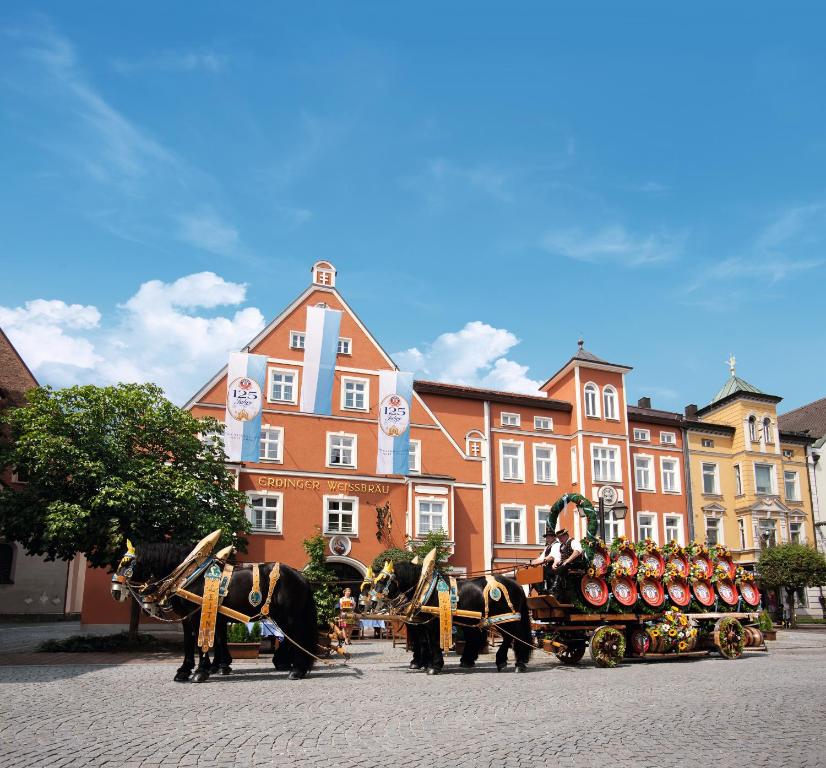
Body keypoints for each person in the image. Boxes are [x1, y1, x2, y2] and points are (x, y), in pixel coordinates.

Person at [547, 529, 583, 598]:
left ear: (566, 535)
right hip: (566, 564)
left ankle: (555, 587)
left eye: (561, 537)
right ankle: (552, 588)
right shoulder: (561, 546)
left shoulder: (573, 542)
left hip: (575, 564)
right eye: (559, 538)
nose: (560, 539)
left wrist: (568, 560)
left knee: (562, 567)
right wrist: (555, 563)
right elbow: (559, 557)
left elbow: (578, 551)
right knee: (550, 570)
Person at [530, 530, 558, 594]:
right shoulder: (547, 547)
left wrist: (537, 563)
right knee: (532, 573)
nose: (547, 539)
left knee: (539, 572)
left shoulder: (556, 545)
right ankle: (540, 590)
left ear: (554, 537)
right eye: (546, 538)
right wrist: (530, 563)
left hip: (554, 567)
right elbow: (540, 558)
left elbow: (551, 557)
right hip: (548, 567)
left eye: (548, 538)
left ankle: (542, 590)